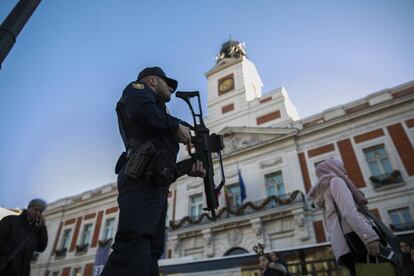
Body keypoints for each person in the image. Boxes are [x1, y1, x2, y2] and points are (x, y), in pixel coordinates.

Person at [101, 66, 205, 276]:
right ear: (152, 81)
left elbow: (163, 169)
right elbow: (142, 112)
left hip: (154, 186)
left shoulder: (160, 117)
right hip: (139, 179)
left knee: (151, 250)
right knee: (134, 243)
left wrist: (188, 168)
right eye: (168, 83)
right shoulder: (137, 90)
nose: (171, 89)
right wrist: (175, 127)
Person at [307, 158, 380, 276]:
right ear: (334, 168)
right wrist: (369, 237)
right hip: (356, 241)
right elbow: (348, 213)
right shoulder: (336, 181)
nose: (344, 169)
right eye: (341, 166)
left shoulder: (325, 189)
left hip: (345, 247)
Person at [0, 199, 48, 276]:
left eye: (40, 211)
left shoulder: (35, 231)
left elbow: (41, 247)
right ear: (29, 208)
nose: (38, 213)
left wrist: (42, 227)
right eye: (36, 210)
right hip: (4, 268)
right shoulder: (10, 220)